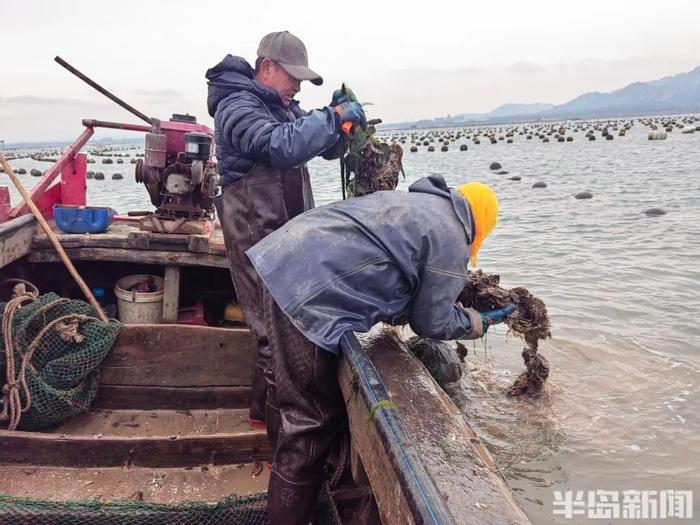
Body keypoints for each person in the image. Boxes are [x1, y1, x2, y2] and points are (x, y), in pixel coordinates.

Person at [246, 174, 515, 524]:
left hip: (282, 258)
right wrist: (478, 322)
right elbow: (431, 323)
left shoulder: (417, 204)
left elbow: (393, 278)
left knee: (283, 381)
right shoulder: (451, 235)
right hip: (309, 293)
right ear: (478, 226)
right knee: (310, 424)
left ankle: (276, 459)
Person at [205, 31, 366, 428]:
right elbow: (280, 147)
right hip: (255, 238)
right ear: (266, 67)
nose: (297, 86)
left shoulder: (280, 105)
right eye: (292, 76)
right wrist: (331, 120)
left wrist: (338, 123)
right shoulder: (236, 106)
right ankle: (285, 445)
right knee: (272, 337)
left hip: (283, 239)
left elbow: (319, 145)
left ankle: (262, 416)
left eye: (302, 80)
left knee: (282, 332)